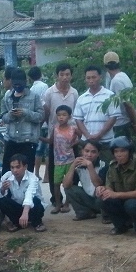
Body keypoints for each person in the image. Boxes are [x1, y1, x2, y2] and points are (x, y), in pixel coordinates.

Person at [96, 137, 136, 237]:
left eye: (123, 151)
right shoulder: (112, 166)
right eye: (116, 151)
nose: (119, 154)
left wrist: (115, 194)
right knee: (102, 200)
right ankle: (120, 226)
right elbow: (109, 186)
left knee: (131, 204)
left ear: (130, 152)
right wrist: (103, 190)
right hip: (123, 202)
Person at [42, 62, 79, 209]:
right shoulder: (49, 92)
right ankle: (56, 200)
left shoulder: (74, 93)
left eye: (67, 74)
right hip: (55, 136)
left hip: (71, 136)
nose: (65, 77)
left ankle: (71, 200)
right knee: (54, 170)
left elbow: (76, 114)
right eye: (62, 74)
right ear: (56, 76)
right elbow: (46, 113)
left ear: (71, 76)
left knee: (72, 170)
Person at [73, 65, 121, 167]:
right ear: (85, 79)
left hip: (106, 142)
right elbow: (78, 119)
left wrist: (99, 135)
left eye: (94, 77)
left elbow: (113, 117)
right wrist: (88, 135)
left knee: (108, 168)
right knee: (86, 169)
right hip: (87, 143)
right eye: (88, 78)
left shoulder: (110, 95)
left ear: (100, 77)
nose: (91, 80)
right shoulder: (81, 98)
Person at [0, 69, 44, 173]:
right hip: (11, 139)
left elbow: (41, 116)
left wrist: (25, 112)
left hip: (28, 140)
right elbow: (3, 117)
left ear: (25, 82)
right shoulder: (7, 97)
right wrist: (11, 115)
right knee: (7, 172)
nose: (17, 86)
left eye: (20, 84)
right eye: (15, 84)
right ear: (12, 82)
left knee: (27, 173)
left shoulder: (34, 97)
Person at [0, 153, 46, 233]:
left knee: (35, 200)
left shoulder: (32, 178)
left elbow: (29, 195)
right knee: (1, 200)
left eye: (18, 167)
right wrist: (3, 189)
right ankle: (17, 222)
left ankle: (37, 223)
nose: (15, 170)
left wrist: (25, 213)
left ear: (25, 167)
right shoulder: (7, 176)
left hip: (34, 208)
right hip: (18, 207)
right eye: (12, 167)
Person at [49, 105, 82, 214]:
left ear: (69, 116)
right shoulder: (55, 128)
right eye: (59, 115)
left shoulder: (73, 129)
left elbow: (82, 137)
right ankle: (58, 204)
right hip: (58, 161)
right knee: (56, 183)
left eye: (64, 115)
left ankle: (67, 204)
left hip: (70, 160)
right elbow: (50, 141)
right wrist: (38, 138)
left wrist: (75, 143)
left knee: (69, 183)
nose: (61, 117)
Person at [63, 139, 103, 221]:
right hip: (88, 199)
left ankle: (106, 215)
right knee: (70, 189)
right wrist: (72, 166)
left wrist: (90, 166)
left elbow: (98, 184)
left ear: (98, 153)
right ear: (82, 151)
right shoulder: (79, 166)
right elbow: (66, 185)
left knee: (102, 194)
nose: (89, 155)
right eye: (86, 151)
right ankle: (84, 213)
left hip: (101, 200)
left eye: (93, 152)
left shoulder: (103, 165)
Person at [103, 52, 135, 140]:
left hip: (121, 123)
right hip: (124, 122)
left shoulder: (116, 81)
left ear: (105, 66)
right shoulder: (123, 76)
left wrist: (135, 123)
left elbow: (127, 104)